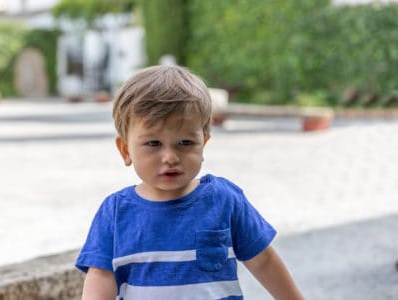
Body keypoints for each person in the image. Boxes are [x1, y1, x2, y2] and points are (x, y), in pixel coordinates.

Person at [76, 65, 304, 300]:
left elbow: (262, 260)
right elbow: (100, 276)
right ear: (125, 149)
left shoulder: (224, 200)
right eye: (153, 144)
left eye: (185, 143)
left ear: (203, 143)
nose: (171, 157)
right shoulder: (115, 212)